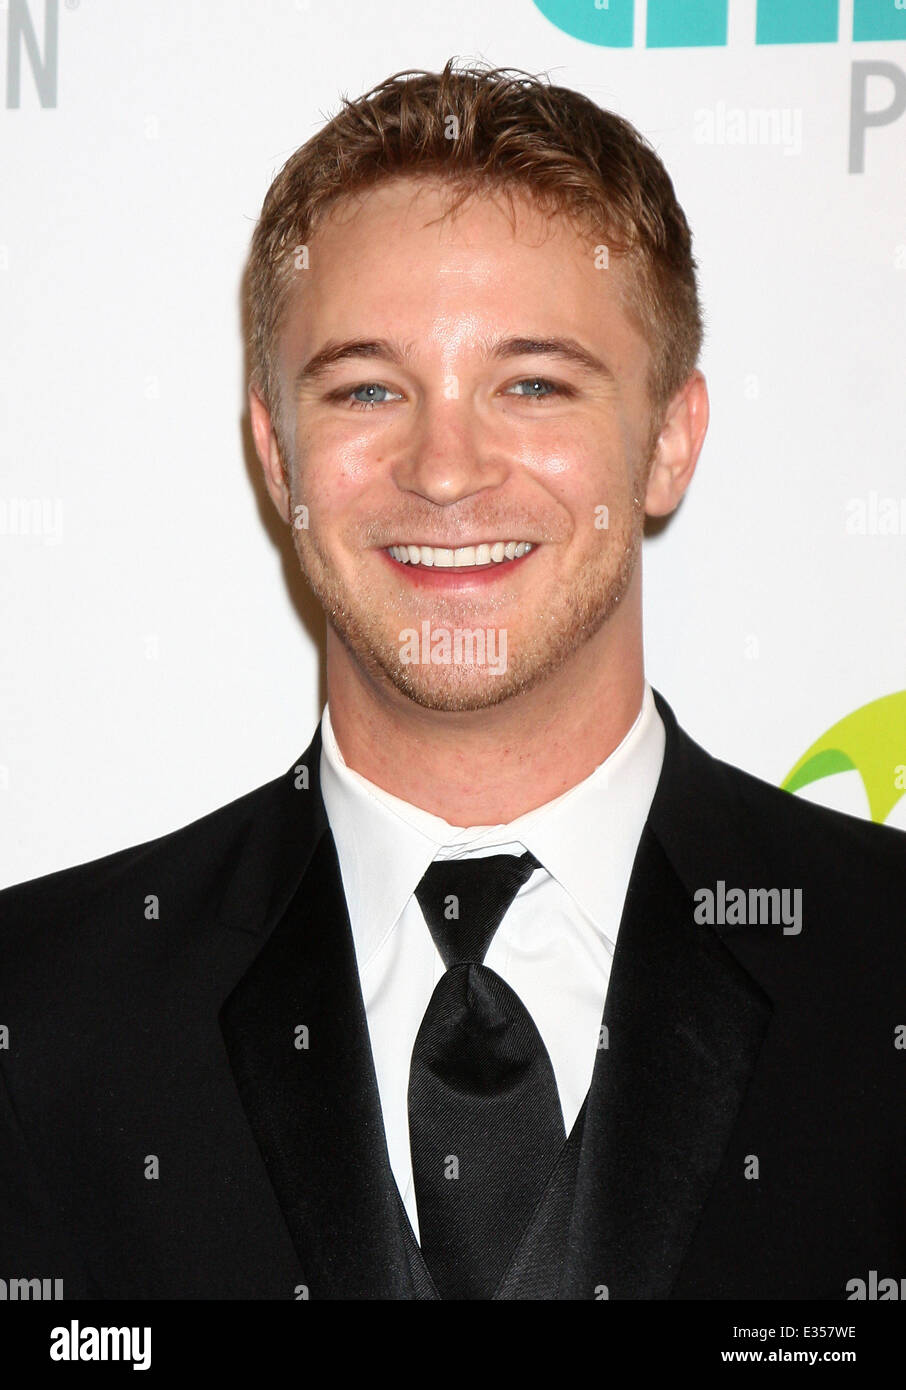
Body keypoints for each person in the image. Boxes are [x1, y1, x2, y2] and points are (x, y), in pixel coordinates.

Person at [1, 59, 903, 1302]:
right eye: (370, 387)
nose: (444, 466)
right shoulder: (40, 1014)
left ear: (670, 439)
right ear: (276, 457)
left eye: (533, 383)